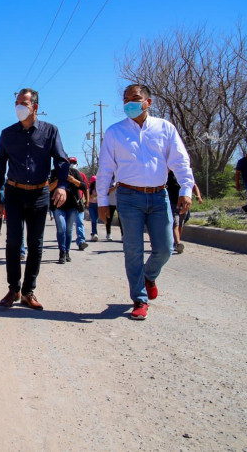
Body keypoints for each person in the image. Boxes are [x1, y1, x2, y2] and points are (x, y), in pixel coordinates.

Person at [96, 84, 194, 320]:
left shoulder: (165, 128)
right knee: (133, 250)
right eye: (126, 99)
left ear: (148, 102)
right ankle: (140, 299)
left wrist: (186, 188)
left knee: (165, 248)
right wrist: (102, 201)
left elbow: (180, 160)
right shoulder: (115, 132)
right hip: (128, 197)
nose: (129, 102)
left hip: (159, 196)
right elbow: (105, 168)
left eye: (135, 98)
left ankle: (149, 275)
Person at [0, 88, 70, 311]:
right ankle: (13, 289)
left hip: (39, 194)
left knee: (36, 244)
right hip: (14, 193)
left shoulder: (50, 131)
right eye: (17, 102)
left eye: (23, 103)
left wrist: (62, 186)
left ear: (35, 106)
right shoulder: (7, 134)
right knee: (13, 242)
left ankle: (28, 292)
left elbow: (61, 161)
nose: (19, 107)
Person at [50, 164, 87, 264]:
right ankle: (62, 252)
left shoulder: (74, 172)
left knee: (69, 230)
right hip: (58, 206)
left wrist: (73, 180)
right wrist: (58, 181)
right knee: (61, 229)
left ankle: (67, 251)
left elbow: (84, 186)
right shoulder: (53, 173)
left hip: (72, 206)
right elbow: (47, 189)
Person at [69, 157, 89, 248]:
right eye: (70, 162)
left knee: (80, 222)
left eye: (74, 162)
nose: (72, 164)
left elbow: (85, 188)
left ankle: (81, 241)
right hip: (68, 204)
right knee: (69, 225)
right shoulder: (65, 174)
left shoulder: (81, 175)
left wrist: (87, 201)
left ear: (77, 164)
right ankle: (66, 243)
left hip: (78, 203)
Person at [87, 175, 100, 241]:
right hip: (91, 205)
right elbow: (89, 197)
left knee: (96, 220)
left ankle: (94, 233)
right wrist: (96, 194)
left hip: (98, 205)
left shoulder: (99, 189)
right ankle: (95, 233)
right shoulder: (90, 190)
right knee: (93, 219)